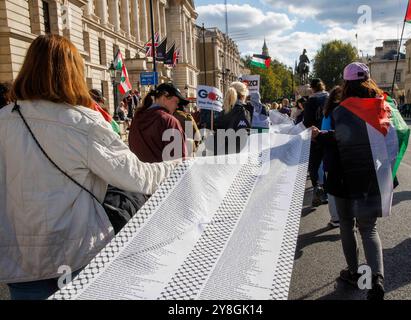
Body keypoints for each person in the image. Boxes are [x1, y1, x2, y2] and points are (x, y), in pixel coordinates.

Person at [0, 34, 177, 300]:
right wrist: (182, 167)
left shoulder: (4, 121)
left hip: (19, 259)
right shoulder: (84, 124)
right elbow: (139, 178)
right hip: (76, 255)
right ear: (72, 75)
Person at [313, 62, 388, 300]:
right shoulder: (383, 107)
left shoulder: (341, 111)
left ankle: (355, 273)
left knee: (346, 224)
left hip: (344, 176)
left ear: (347, 84)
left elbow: (341, 140)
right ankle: (376, 277)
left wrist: (321, 136)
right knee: (369, 228)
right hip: (372, 176)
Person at [128, 82, 187, 163]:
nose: (177, 106)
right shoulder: (170, 121)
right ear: (164, 98)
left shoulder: (137, 118)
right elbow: (179, 160)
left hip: (138, 172)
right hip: (163, 174)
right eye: (176, 101)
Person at [303, 78, 329, 207]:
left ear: (312, 88)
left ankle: (317, 187)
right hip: (331, 134)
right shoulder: (331, 97)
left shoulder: (311, 101)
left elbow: (307, 121)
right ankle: (329, 191)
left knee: (314, 164)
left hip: (316, 136)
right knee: (330, 163)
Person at [321, 86, 343, 228]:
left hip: (331, 154)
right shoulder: (347, 110)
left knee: (332, 189)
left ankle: (335, 218)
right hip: (347, 154)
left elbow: (323, 133)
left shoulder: (327, 113)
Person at [214, 81, 253, 154]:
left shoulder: (223, 111)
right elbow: (242, 139)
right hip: (232, 157)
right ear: (243, 96)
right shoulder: (242, 112)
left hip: (218, 154)